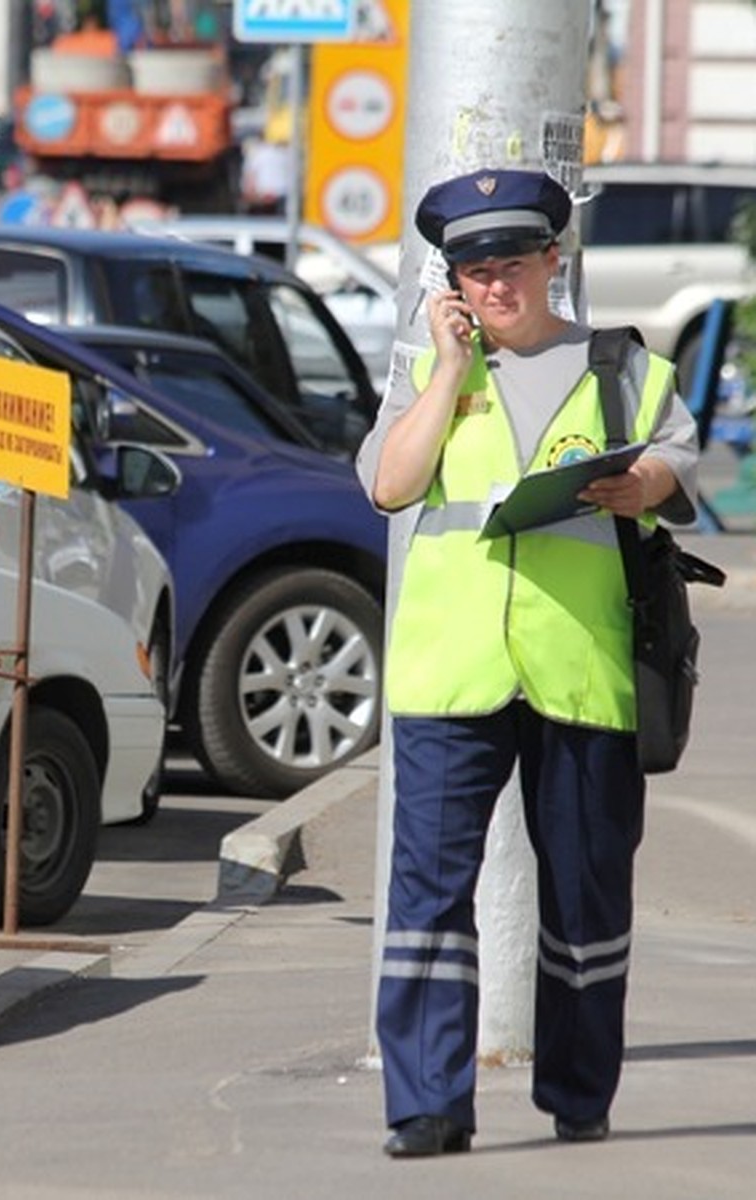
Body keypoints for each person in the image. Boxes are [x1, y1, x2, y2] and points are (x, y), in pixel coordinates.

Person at [354, 168, 700, 1158]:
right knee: (426, 893)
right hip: (448, 668)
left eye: (510, 263)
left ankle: (580, 1092)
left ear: (555, 260)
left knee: (588, 892)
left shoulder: (621, 364)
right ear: (450, 281)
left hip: (578, 665)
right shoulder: (422, 369)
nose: (493, 283)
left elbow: (678, 460)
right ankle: (426, 1104)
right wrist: (450, 371)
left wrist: (643, 483)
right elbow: (391, 484)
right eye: (472, 268)